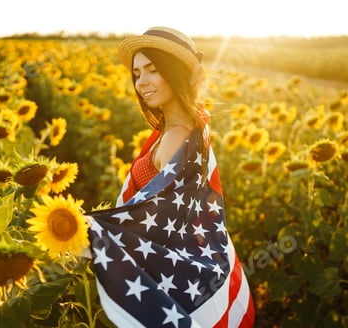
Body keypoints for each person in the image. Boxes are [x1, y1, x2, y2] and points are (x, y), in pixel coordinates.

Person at [86, 26, 255, 327]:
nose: (142, 82)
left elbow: (157, 220)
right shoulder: (185, 127)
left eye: (152, 70)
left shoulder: (176, 137)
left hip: (160, 274)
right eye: (137, 74)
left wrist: (87, 230)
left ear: (174, 72)